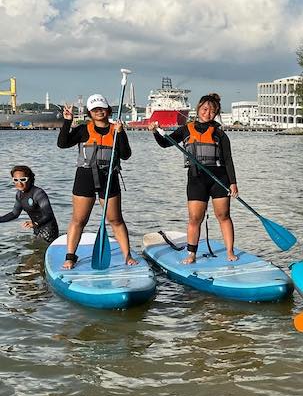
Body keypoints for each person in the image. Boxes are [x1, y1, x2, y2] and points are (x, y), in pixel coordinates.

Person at [151, 93, 238, 264]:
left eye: (212, 111)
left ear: (216, 113)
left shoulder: (220, 134)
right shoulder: (185, 129)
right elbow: (165, 143)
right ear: (198, 109)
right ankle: (191, 254)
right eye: (205, 109)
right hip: (196, 178)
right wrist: (155, 131)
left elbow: (228, 160)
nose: (208, 113)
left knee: (224, 215)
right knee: (194, 218)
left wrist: (233, 183)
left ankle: (230, 251)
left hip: (219, 178)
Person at [57, 94, 136, 269]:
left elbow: (126, 155)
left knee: (116, 220)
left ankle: (127, 256)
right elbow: (62, 143)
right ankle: (70, 256)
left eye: (101, 108)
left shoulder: (116, 129)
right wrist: (67, 121)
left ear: (108, 110)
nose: (98, 111)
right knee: (79, 220)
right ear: (90, 113)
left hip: (109, 177)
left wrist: (121, 134)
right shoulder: (83, 130)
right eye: (94, 109)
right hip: (85, 177)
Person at [0, 165, 59, 243]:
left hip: (49, 230)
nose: (19, 183)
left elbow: (48, 214)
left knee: (39, 252)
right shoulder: (19, 195)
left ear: (30, 179)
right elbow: (14, 214)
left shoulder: (38, 193)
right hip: (36, 229)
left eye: (23, 179)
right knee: (34, 253)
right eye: (16, 180)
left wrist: (36, 223)